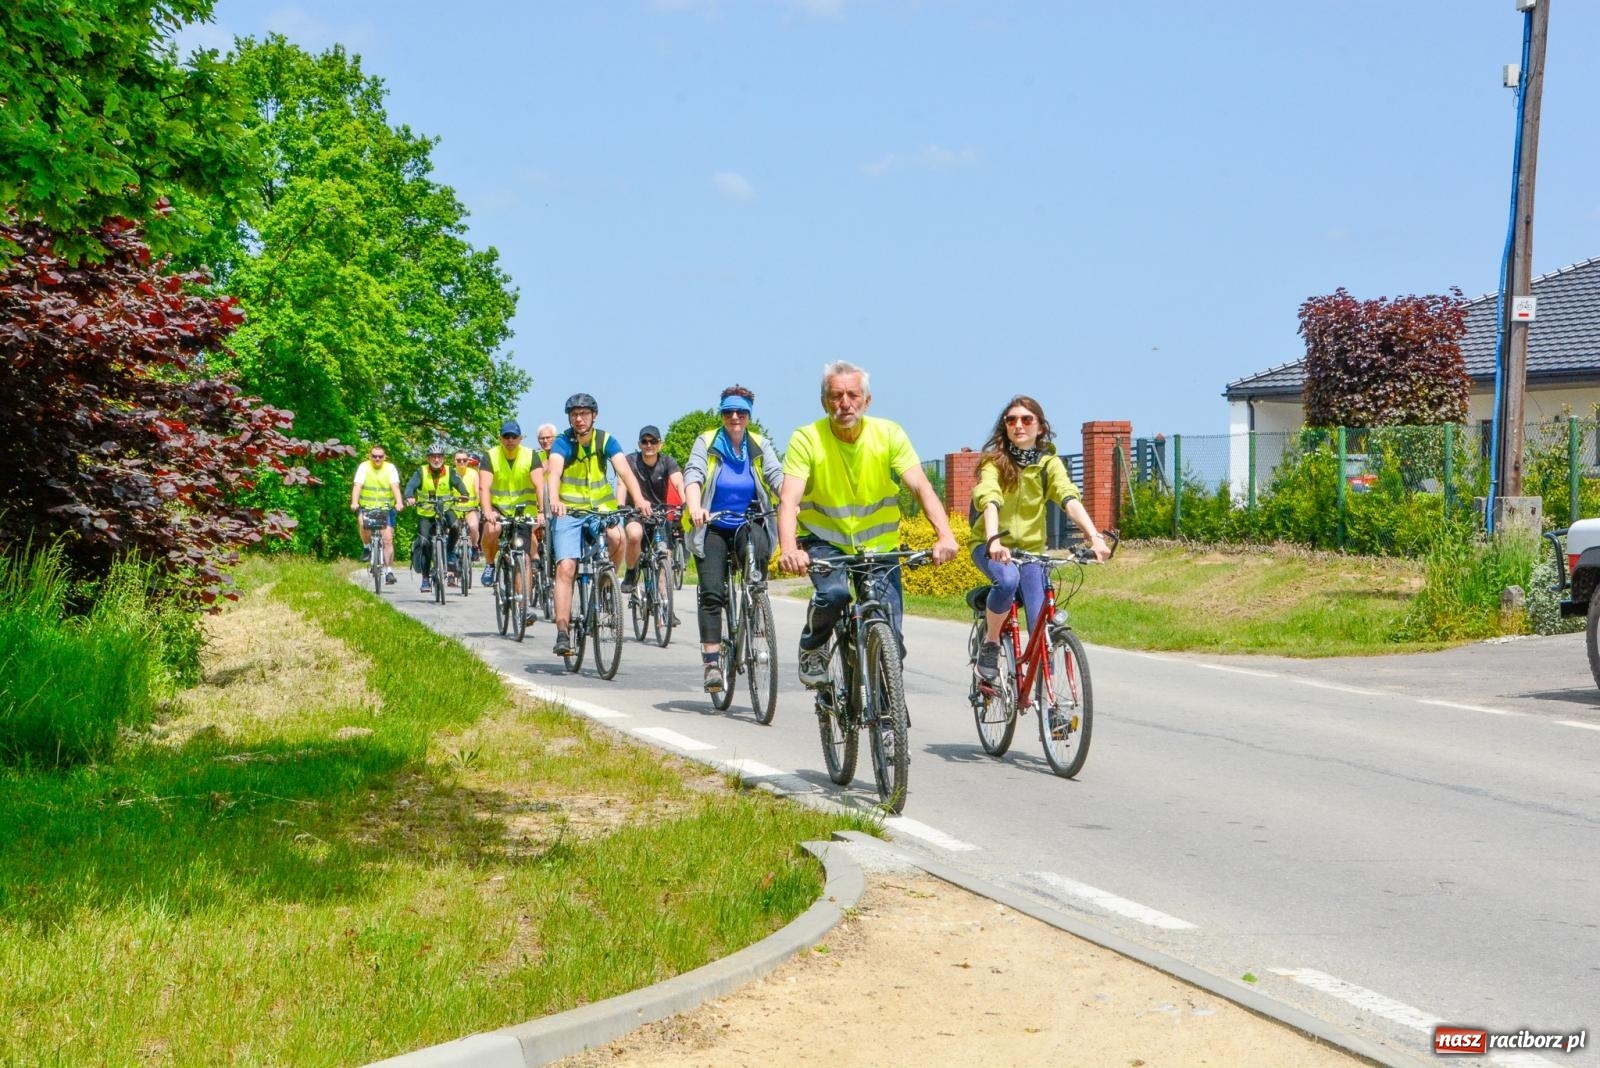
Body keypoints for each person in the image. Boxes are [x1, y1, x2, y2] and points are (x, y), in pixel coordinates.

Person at [778, 361, 959, 688]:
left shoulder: (888, 433)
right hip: (824, 541)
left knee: (889, 633)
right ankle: (813, 644)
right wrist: (790, 549)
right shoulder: (807, 439)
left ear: (867, 401)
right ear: (824, 402)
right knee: (833, 595)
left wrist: (944, 535)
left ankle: (889, 718)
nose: (845, 403)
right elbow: (789, 499)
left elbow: (920, 486)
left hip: (880, 545)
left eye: (853, 395)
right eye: (836, 396)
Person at [969, 395, 1111, 682]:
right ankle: (992, 643)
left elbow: (1067, 496)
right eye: (1011, 420)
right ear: (1005, 427)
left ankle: (1052, 705)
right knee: (1007, 580)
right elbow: (989, 499)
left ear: (1040, 427)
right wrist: (994, 539)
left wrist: (1094, 536)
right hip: (990, 545)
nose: (1018, 425)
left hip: (1032, 551)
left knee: (1040, 625)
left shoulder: (1049, 464)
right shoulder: (993, 463)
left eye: (1026, 419)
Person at [684, 386, 784, 693]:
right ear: (722, 414)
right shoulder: (708, 441)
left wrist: (792, 500)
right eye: (729, 411)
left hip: (748, 520)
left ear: (749, 415)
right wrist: (696, 507)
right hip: (712, 523)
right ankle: (713, 664)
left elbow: (777, 476)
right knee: (713, 592)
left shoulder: (759, 444)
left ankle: (755, 614)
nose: (735, 417)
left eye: (740, 412)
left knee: (760, 554)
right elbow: (693, 475)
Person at [545, 393, 652, 657]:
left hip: (601, 509)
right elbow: (555, 472)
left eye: (584, 413)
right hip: (569, 511)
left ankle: (606, 586)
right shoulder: (563, 442)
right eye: (574, 414)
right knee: (567, 567)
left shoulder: (605, 440)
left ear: (594, 415)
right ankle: (562, 632)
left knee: (618, 538)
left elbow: (624, 471)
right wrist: (555, 500)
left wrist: (639, 499)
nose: (579, 419)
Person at [479, 419, 544, 624]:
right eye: (506, 436)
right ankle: (490, 564)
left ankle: (523, 608)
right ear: (500, 438)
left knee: (523, 558)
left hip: (523, 511)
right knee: (491, 530)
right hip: (498, 509)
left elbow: (539, 486)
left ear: (520, 438)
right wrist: (488, 511)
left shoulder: (530, 455)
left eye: (513, 437)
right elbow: (484, 488)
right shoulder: (490, 456)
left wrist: (542, 512)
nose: (510, 440)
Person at [619, 423, 686, 594]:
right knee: (634, 535)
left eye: (653, 441)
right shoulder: (630, 461)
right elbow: (622, 483)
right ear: (639, 444)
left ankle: (665, 606)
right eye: (645, 441)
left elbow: (679, 482)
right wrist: (621, 505)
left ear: (660, 444)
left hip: (659, 513)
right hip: (634, 512)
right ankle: (631, 572)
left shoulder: (667, 462)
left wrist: (686, 503)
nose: (649, 445)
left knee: (665, 556)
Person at [404, 442, 469, 594]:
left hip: (445, 509)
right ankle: (425, 579)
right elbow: (411, 486)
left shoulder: (449, 471)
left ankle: (449, 552)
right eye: (433, 457)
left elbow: (458, 484)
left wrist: (464, 494)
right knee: (425, 543)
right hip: (426, 512)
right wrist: (409, 496)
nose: (436, 459)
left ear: (443, 458)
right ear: (428, 458)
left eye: (439, 456)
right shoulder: (421, 472)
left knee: (454, 527)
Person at [350, 444, 404, 584]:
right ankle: (367, 547)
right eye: (374, 456)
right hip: (367, 507)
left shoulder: (390, 468)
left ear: (384, 457)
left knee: (387, 539)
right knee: (362, 523)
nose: (377, 459)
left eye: (380, 456)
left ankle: (389, 571)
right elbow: (357, 486)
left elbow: (395, 487)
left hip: (386, 508)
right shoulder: (364, 467)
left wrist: (399, 503)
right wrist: (354, 502)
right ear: (370, 456)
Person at [451, 448, 482, 575]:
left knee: (473, 526)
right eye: (459, 460)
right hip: (455, 509)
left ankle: (474, 547)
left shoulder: (473, 474)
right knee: (452, 532)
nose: (462, 462)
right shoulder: (450, 473)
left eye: (464, 460)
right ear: (454, 461)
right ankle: (452, 559)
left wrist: (481, 504)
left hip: (471, 508)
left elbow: (478, 491)